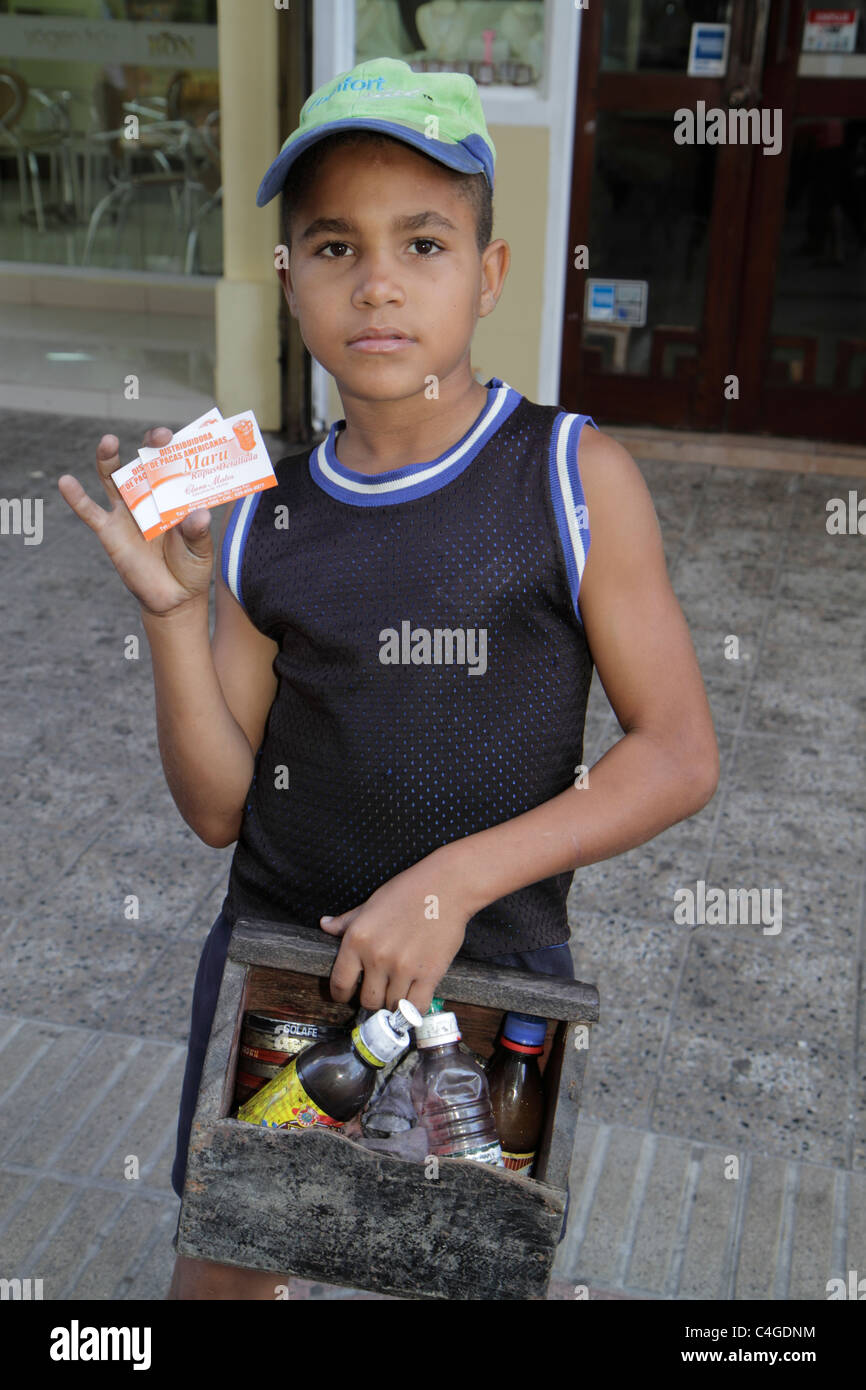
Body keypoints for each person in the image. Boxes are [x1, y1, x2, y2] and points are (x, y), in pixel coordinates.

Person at [58, 56, 719, 1300]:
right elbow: (216, 807)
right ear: (287, 276)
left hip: (489, 993)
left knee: (458, 1271)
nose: (375, 282)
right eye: (331, 245)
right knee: (229, 1273)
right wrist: (177, 614)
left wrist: (452, 883)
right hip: (284, 977)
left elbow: (676, 751)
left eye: (421, 242)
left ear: (489, 272)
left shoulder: (570, 480)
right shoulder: (261, 515)